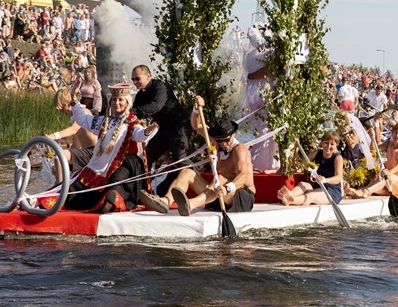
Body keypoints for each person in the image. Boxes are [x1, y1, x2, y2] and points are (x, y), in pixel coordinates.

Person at [139, 95, 256, 215]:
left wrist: (227, 188)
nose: (223, 144)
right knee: (187, 172)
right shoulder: (217, 142)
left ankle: (190, 204)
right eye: (219, 140)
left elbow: (243, 176)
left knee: (221, 179)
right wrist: (196, 109)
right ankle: (165, 201)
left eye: (226, 140)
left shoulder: (240, 149)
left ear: (232, 135)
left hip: (241, 196)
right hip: (217, 195)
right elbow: (197, 126)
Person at [61, 83, 158, 213]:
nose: (116, 103)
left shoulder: (132, 122)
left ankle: (113, 203)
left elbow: (141, 135)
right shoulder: (104, 121)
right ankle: (42, 200)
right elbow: (82, 119)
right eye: (114, 99)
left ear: (127, 102)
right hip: (97, 167)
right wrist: (73, 98)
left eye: (120, 100)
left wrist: (150, 129)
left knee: (115, 183)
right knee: (73, 187)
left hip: (124, 166)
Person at [131, 64, 191, 194]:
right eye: (133, 79)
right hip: (164, 129)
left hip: (179, 126)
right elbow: (135, 113)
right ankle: (143, 189)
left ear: (148, 76)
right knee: (146, 156)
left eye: (137, 79)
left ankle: (194, 188)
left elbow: (155, 106)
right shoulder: (140, 95)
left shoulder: (159, 86)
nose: (135, 82)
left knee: (181, 160)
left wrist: (133, 111)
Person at [347, 123, 398, 201]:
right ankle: (361, 191)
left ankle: (365, 192)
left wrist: (389, 173)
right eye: (395, 132)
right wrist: (373, 138)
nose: (397, 135)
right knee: (377, 180)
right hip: (393, 180)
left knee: (386, 178)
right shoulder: (389, 144)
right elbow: (374, 150)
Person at [243, 24, 279, 171]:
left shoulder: (249, 55)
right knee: (267, 129)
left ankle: (265, 162)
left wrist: (251, 76)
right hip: (264, 92)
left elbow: (249, 74)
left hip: (252, 92)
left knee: (262, 128)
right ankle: (263, 164)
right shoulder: (268, 52)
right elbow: (268, 70)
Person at [277, 131, 344, 206]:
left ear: (336, 145)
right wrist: (296, 148)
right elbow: (298, 166)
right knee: (303, 184)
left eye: (332, 144)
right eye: (326, 143)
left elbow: (338, 177)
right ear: (322, 143)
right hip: (317, 185)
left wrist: (324, 180)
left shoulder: (338, 158)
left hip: (331, 190)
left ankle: (291, 200)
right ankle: (289, 195)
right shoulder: (315, 153)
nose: (328, 146)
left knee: (311, 195)